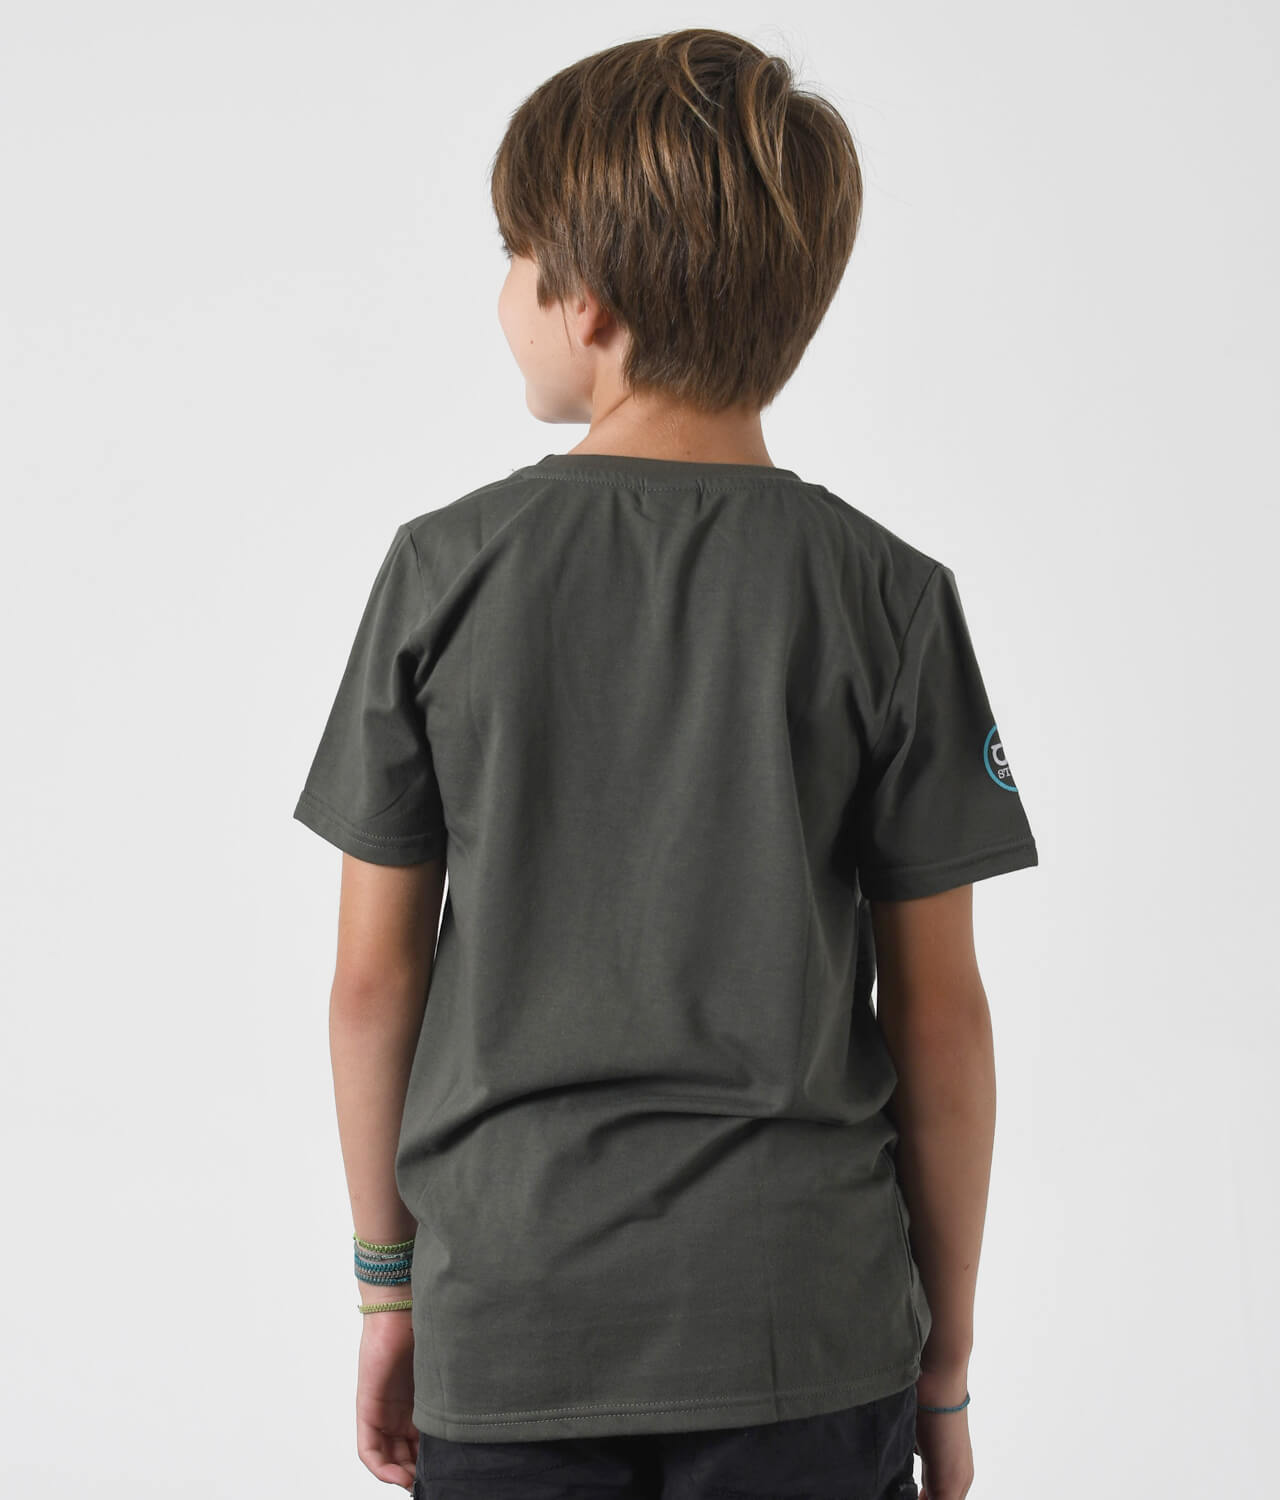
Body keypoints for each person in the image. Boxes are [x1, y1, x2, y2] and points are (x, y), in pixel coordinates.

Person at [292, 27, 1038, 1500]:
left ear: (590, 304)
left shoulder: (443, 575)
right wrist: (943, 1365)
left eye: (514, 258)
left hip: (513, 1324)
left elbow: (374, 982)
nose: (502, 294)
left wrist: (389, 1288)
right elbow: (939, 1017)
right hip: (807, 1333)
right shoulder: (889, 597)